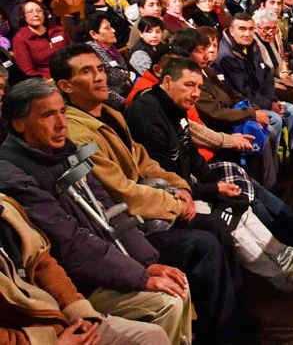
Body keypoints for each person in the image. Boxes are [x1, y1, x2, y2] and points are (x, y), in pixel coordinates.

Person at [49, 44, 246, 345]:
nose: (100, 77)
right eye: (86, 72)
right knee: (203, 243)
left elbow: (142, 159)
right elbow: (120, 190)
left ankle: (230, 320)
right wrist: (175, 205)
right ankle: (219, 333)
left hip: (150, 205)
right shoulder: (77, 131)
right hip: (129, 225)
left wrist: (179, 185)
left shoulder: (111, 113)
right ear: (66, 86)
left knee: (216, 226)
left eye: (100, 69)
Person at [0, 79, 189, 345]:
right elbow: (69, 242)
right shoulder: (13, 174)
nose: (60, 123)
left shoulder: (63, 150)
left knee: (178, 283)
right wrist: (139, 277)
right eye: (47, 115)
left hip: (101, 262)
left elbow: (109, 207)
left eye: (62, 112)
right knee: (165, 302)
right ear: (19, 124)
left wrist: (146, 263)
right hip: (77, 279)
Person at [124, 57, 293, 291]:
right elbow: (163, 180)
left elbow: (191, 155)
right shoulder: (147, 117)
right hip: (166, 200)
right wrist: (213, 189)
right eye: (188, 85)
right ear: (168, 81)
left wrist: (217, 184)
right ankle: (280, 274)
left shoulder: (174, 106)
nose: (195, 93)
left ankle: (286, 256)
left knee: (238, 199)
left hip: (185, 184)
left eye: (198, 87)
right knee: (228, 214)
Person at [0, 193, 170, 345]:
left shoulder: (6, 209)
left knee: (151, 336)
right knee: (167, 302)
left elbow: (43, 263)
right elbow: (71, 242)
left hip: (57, 318)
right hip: (33, 335)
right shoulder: (17, 179)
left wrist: (78, 312)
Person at [217, 13, 293, 151]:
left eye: (250, 29)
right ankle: (273, 163)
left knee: (291, 110)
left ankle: (287, 153)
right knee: (275, 120)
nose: (247, 34)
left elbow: (266, 76)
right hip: (245, 104)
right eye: (242, 29)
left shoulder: (252, 46)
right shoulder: (227, 57)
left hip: (262, 98)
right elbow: (243, 90)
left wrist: (272, 100)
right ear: (232, 31)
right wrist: (268, 105)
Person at [11, 0, 71, 78]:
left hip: (70, 72)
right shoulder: (20, 39)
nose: (36, 14)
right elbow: (28, 70)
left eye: (39, 11)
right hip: (46, 80)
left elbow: (72, 51)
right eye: (30, 12)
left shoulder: (58, 30)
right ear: (23, 16)